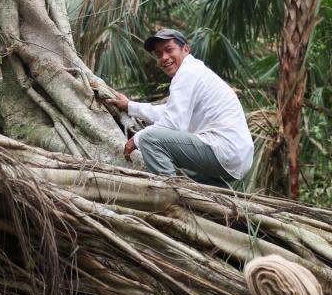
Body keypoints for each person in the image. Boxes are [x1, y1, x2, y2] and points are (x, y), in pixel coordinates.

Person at [108, 28, 254, 188]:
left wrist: (137, 139)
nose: (164, 57)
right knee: (196, 185)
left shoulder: (188, 72)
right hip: (235, 157)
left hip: (223, 150)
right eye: (158, 54)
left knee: (149, 139)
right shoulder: (195, 71)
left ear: (185, 49)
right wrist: (130, 106)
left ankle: (170, 196)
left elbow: (173, 123)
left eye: (169, 50)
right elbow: (168, 112)